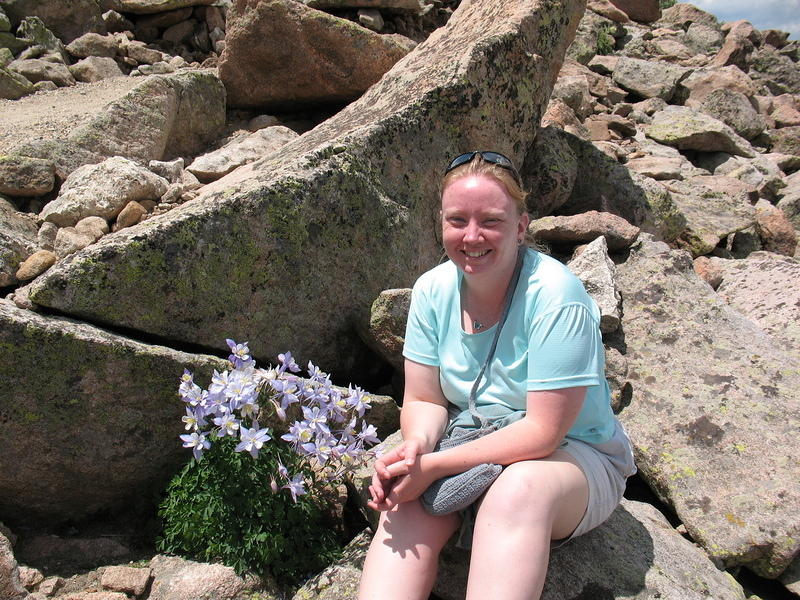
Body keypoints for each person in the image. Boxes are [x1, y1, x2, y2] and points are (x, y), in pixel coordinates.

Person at [357, 151, 636, 600]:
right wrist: (415, 452)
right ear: (441, 223)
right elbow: (426, 401)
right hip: (471, 436)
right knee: (404, 502)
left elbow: (543, 432)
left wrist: (434, 467)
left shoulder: (556, 296)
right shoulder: (431, 291)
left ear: (521, 226)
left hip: (572, 457)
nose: (471, 236)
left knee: (517, 491)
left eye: (490, 220)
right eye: (457, 220)